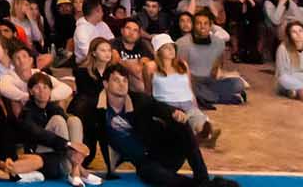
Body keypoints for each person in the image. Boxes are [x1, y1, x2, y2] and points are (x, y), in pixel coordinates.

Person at [98, 65, 239, 187]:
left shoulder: (139, 100)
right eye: (116, 80)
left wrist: (174, 112)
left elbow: (159, 107)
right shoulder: (97, 109)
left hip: (164, 152)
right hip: (145, 164)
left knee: (181, 124)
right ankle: (204, 185)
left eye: (125, 80)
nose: (122, 84)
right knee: (155, 175)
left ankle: (202, 177)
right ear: (105, 83)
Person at [173, 11, 247, 107]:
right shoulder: (182, 43)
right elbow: (180, 70)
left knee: (238, 84)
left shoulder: (219, 43)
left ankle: (206, 97)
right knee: (185, 88)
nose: (202, 27)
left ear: (211, 25)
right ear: (194, 25)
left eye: (205, 23)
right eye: (199, 23)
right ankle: (226, 98)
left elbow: (218, 64)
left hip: (210, 81)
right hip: (191, 81)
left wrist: (216, 74)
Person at [150, 42, 216, 146]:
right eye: (166, 48)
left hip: (187, 104)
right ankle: (191, 138)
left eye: (172, 47)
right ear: (158, 51)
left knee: (201, 123)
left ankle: (201, 135)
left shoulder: (182, 64)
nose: (171, 50)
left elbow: (189, 87)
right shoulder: (152, 67)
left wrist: (195, 106)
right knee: (179, 128)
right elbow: (148, 91)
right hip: (168, 106)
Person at [276, 20, 303, 99]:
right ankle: (295, 90)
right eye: (294, 32)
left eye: (300, 31)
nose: (298, 34)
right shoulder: (283, 48)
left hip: (300, 77)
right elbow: (282, 74)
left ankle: (293, 92)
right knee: (283, 79)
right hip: (287, 79)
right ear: (289, 35)